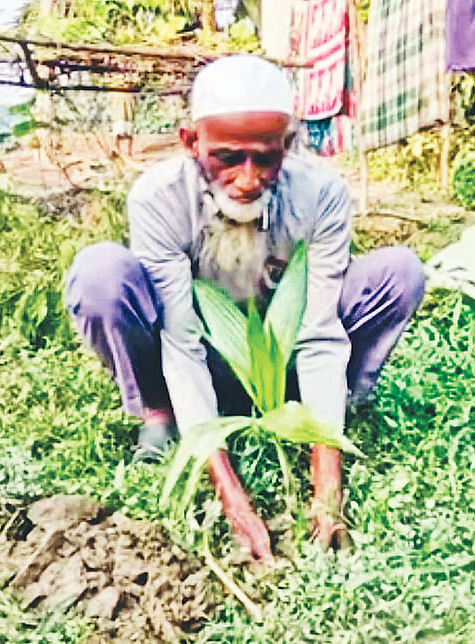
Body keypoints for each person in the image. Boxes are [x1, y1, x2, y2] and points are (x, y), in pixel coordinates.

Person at [65, 55, 425, 562]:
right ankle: (160, 413)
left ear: (290, 144)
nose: (248, 178)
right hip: (200, 357)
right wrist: (231, 498)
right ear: (192, 142)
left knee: (399, 272)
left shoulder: (320, 195)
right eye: (227, 157)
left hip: (287, 362)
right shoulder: (159, 198)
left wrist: (328, 490)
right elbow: (182, 343)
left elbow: (320, 335)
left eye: (266, 157)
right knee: (100, 275)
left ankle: (331, 408)